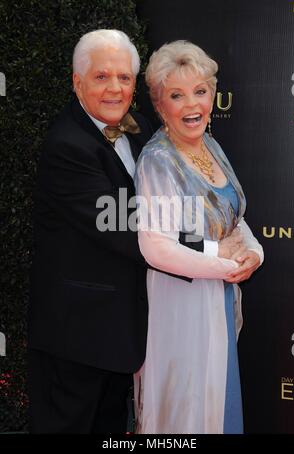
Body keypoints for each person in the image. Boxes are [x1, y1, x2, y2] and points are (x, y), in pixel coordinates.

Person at [133, 40, 264, 434]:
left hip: (217, 296)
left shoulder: (211, 145)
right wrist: (224, 261)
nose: (192, 105)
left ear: (212, 95)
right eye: (177, 95)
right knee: (186, 408)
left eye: (200, 91)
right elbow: (155, 244)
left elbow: (232, 218)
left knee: (215, 401)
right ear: (160, 105)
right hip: (180, 304)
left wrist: (254, 253)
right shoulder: (158, 160)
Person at [27, 29, 154, 433]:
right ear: (77, 81)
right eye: (101, 77)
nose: (115, 88)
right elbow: (125, 226)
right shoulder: (68, 145)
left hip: (120, 334)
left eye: (124, 77)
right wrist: (207, 248)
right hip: (76, 342)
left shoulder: (140, 130)